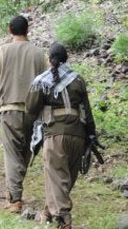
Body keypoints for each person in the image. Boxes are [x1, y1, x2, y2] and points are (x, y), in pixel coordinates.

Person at [0, 15, 47, 213]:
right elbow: (49, 80)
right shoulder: (40, 54)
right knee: (25, 151)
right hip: (33, 111)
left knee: (12, 152)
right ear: (27, 30)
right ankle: (15, 188)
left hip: (10, 108)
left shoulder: (3, 51)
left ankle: (15, 199)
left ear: (9, 30)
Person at [26, 42, 96, 229]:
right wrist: (92, 135)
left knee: (56, 177)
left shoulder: (42, 80)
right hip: (78, 136)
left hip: (55, 135)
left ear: (50, 60)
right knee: (66, 179)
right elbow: (87, 111)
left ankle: (63, 218)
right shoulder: (78, 80)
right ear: (66, 59)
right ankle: (49, 212)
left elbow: (30, 109)